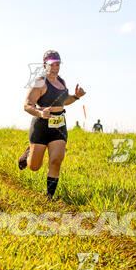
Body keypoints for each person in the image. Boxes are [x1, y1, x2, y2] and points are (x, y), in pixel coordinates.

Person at [18, 50, 86, 199]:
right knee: (34, 167)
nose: (55, 67)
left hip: (59, 126)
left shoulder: (61, 81)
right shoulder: (40, 82)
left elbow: (64, 101)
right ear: (45, 65)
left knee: (56, 161)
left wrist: (76, 96)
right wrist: (40, 113)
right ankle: (29, 151)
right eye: (52, 64)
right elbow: (27, 105)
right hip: (41, 126)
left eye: (58, 64)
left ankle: (49, 197)